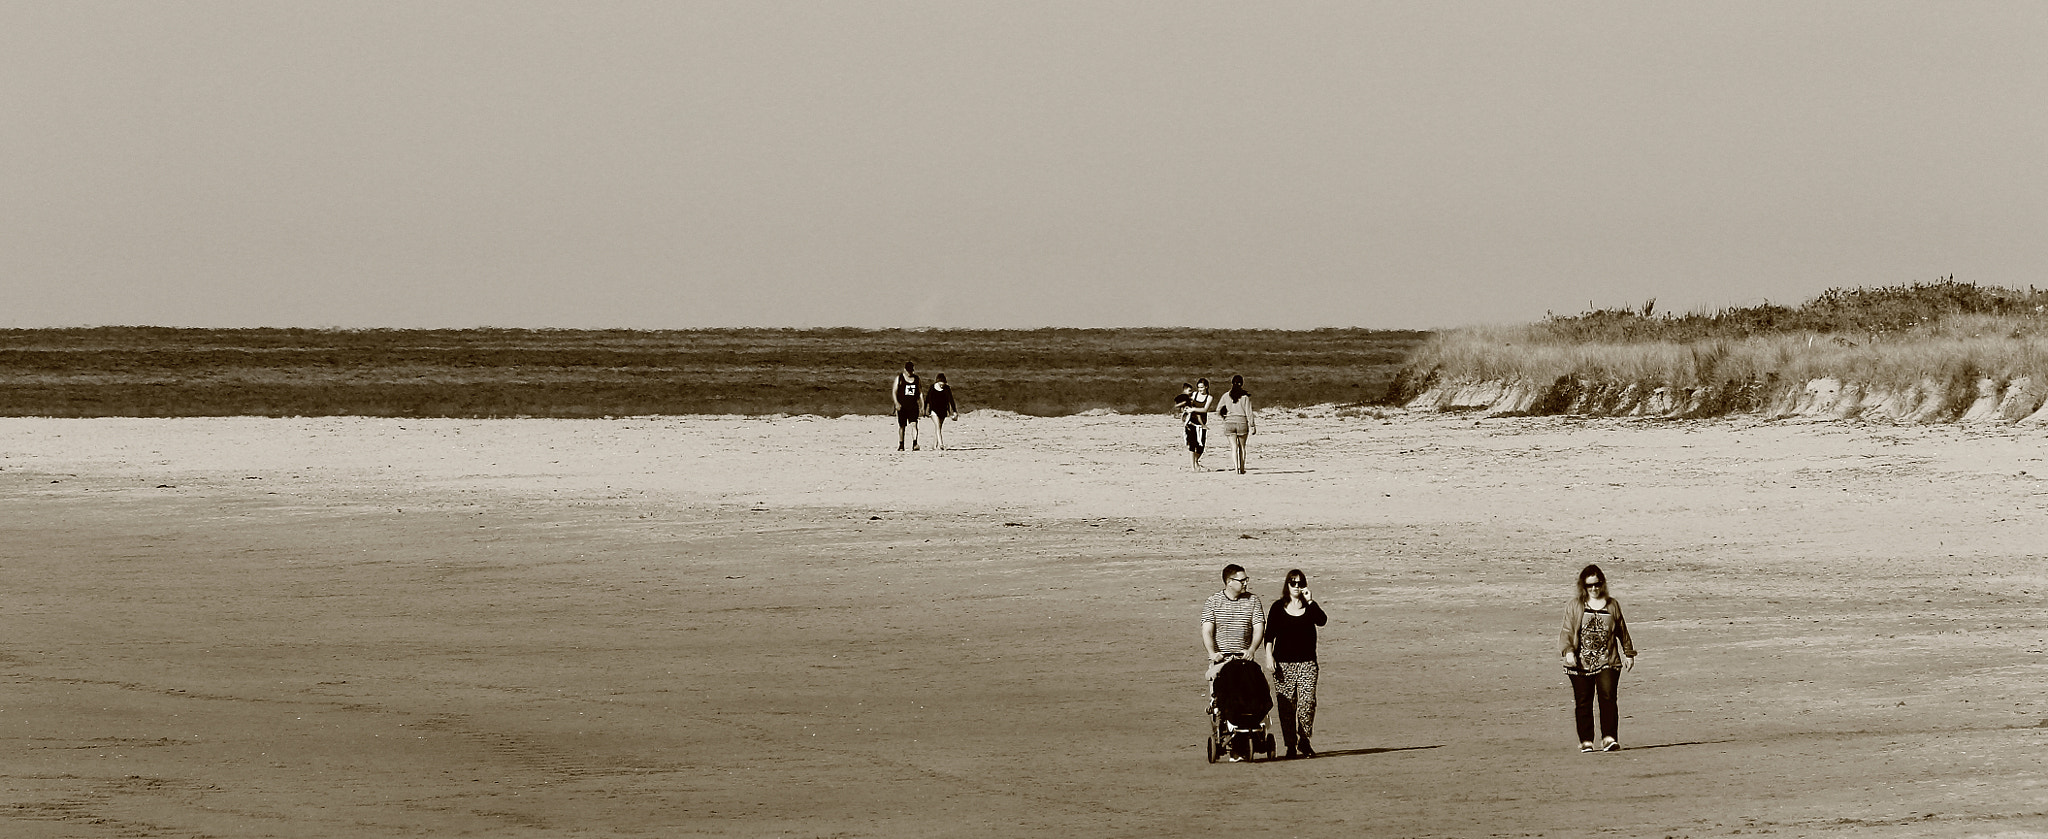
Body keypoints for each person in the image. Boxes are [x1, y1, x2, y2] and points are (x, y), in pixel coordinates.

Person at [1560, 563, 1637, 752]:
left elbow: (1621, 630)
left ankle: (1609, 738)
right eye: (1589, 585)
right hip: (1579, 662)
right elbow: (1567, 631)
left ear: (1602, 584)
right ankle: (1586, 740)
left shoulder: (1612, 605)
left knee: (1608, 697)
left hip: (1607, 660)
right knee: (1583, 700)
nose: (1594, 588)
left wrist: (1629, 653)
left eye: (1597, 584)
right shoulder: (1575, 605)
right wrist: (1568, 651)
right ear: (1583, 586)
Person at [1202, 564, 1267, 762]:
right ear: (1229, 582)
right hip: (1222, 660)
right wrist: (1213, 653)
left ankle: (1251, 736)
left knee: (1251, 697)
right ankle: (1228, 739)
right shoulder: (1213, 602)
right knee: (1222, 700)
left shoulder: (1253, 601)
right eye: (1242, 580)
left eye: (1246, 579)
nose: (1246, 582)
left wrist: (1252, 649)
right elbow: (1207, 630)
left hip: (1244, 659)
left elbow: (1259, 627)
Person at [1265, 568, 1326, 758]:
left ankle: (1304, 741)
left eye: (1300, 583)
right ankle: (1290, 745)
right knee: (1286, 706)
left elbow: (1322, 620)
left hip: (1307, 663)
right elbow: (1269, 635)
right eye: (1293, 583)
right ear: (1287, 585)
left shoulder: (1309, 607)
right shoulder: (1277, 607)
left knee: (1307, 703)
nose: (1297, 587)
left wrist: (1310, 600)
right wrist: (1269, 656)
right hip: (1283, 664)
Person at [1218, 374, 1256, 474]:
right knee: (1242, 447)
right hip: (1242, 422)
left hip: (1229, 422)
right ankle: (1242, 468)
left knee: (1233, 447)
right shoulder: (1245, 397)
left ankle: (1235, 468)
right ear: (1242, 384)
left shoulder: (1226, 396)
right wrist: (1252, 425)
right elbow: (1249, 412)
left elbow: (1218, 409)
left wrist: (1225, 417)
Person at [891, 361, 925, 451]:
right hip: (902, 406)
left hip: (913, 405)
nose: (910, 373)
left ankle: (915, 443)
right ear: (905, 370)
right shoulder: (900, 378)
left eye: (911, 371)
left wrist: (922, 405)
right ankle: (901, 444)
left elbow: (920, 392)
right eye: (908, 371)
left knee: (914, 424)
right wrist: (896, 403)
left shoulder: (917, 379)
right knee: (902, 426)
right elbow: (894, 391)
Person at [1183, 378, 1212, 471]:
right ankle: (1193, 467)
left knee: (1201, 447)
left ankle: (1195, 461)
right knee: (1192, 445)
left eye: (1202, 387)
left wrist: (1193, 409)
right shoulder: (1194, 394)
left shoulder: (1209, 397)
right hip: (1191, 423)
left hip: (1201, 424)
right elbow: (1187, 401)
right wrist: (1186, 409)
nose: (1200, 389)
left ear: (1206, 387)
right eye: (1199, 387)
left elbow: (1205, 409)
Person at [926, 373, 957, 450]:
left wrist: (954, 411)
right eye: (941, 383)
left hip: (943, 410)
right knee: (937, 426)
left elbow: (951, 400)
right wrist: (925, 409)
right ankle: (941, 444)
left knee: (939, 427)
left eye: (943, 383)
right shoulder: (932, 388)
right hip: (934, 410)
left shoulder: (947, 388)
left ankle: (934, 445)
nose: (942, 385)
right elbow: (927, 399)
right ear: (937, 382)